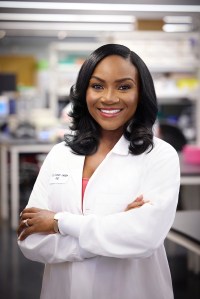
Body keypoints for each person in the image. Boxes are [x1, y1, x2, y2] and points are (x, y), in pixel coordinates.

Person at [17, 44, 180, 299]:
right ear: (84, 92)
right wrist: (113, 232)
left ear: (141, 93)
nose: (109, 97)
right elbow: (30, 241)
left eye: (124, 86)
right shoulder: (60, 155)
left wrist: (59, 222)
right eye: (97, 86)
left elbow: (144, 238)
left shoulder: (159, 155)